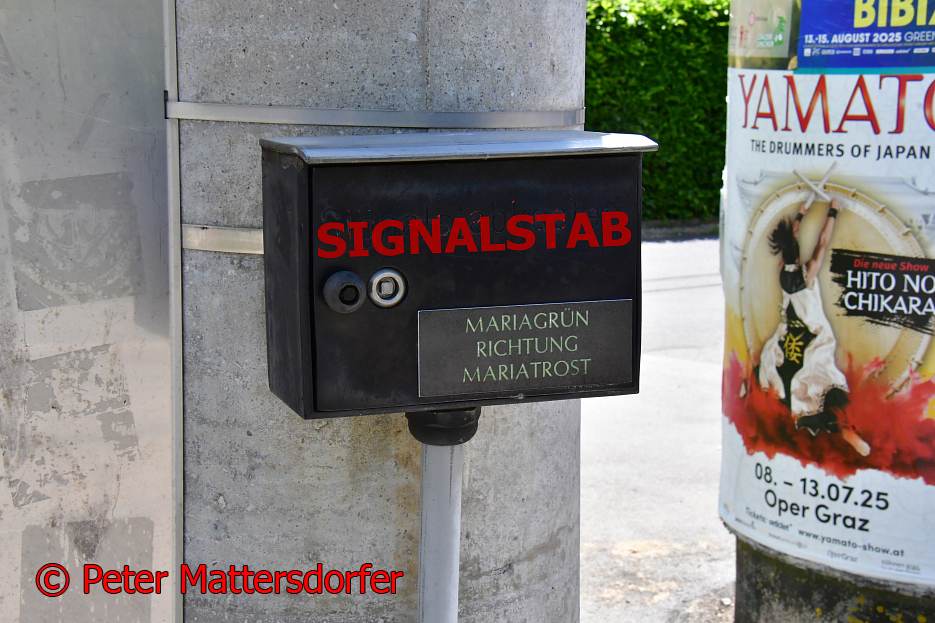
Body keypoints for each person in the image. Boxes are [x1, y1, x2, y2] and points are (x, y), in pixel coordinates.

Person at [757, 198, 871, 457]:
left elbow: (793, 241)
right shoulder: (806, 275)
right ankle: (846, 433)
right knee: (823, 382)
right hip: (810, 339)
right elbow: (822, 242)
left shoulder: (783, 273)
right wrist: (833, 211)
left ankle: (834, 433)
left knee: (796, 385)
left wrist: (800, 214)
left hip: (791, 339)